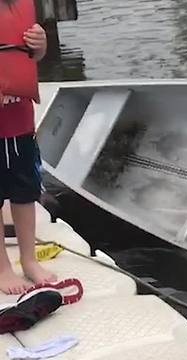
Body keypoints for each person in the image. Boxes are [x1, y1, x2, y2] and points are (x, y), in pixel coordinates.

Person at [0, 0, 57, 294]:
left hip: (20, 123)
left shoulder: (18, 6)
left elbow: (32, 56)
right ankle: (2, 268)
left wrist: (40, 44)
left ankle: (29, 260)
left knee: (25, 191)